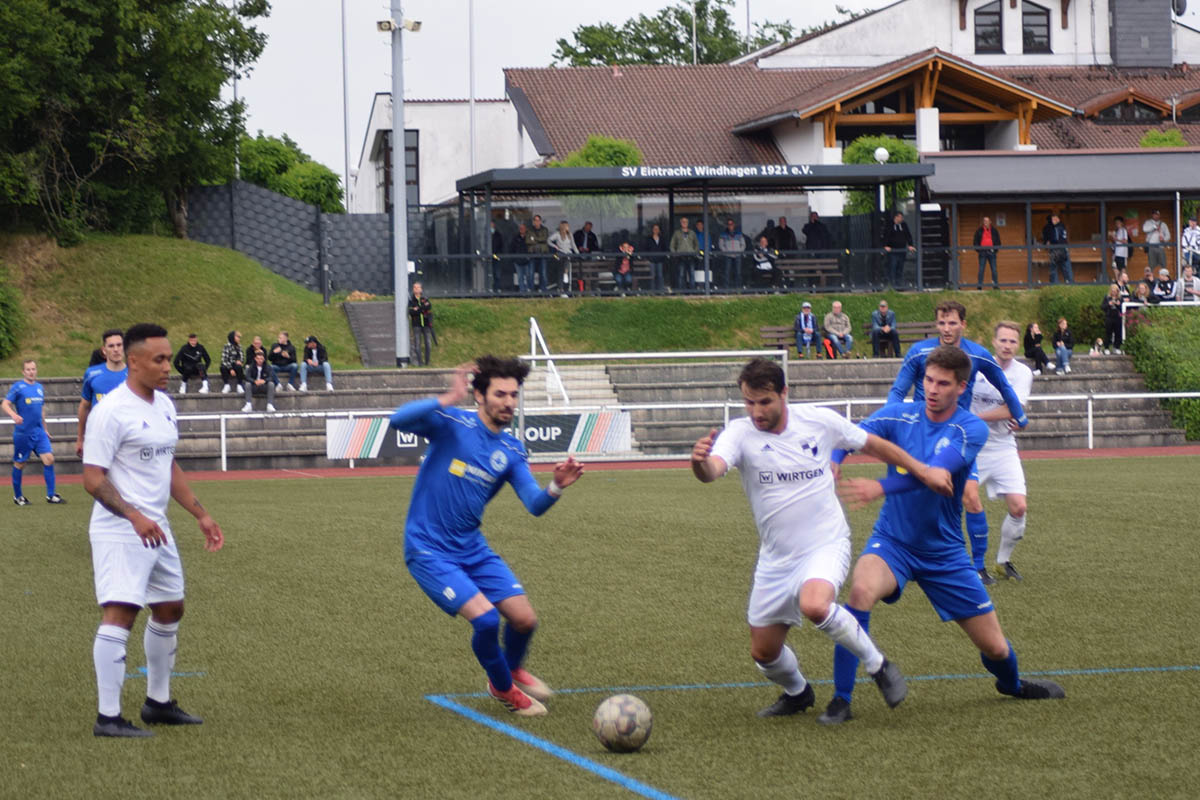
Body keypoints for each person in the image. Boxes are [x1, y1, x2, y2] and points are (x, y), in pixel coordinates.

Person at [690, 359, 952, 718]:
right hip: (776, 557)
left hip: (826, 543)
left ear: (784, 394)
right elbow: (712, 471)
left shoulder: (819, 421)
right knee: (763, 652)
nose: (756, 412)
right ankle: (798, 693)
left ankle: (879, 666)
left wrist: (922, 470)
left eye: (764, 402)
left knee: (816, 605)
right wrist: (699, 462)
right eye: (749, 403)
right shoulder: (739, 433)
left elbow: (875, 444)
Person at [825, 345, 1065, 725]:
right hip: (894, 542)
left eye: (942, 383)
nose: (932, 389)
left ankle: (1013, 684)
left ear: (961, 386)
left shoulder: (970, 427)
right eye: (928, 381)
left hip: (945, 554)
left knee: (996, 648)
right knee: (859, 592)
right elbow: (852, 436)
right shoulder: (901, 414)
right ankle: (841, 699)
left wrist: (880, 488)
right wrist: (835, 463)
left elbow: (934, 475)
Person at [389, 356, 584, 717]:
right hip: (428, 549)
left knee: (525, 620)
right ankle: (503, 688)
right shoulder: (450, 423)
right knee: (486, 620)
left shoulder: (511, 450)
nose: (509, 402)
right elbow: (397, 419)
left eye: (514, 394)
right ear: (480, 395)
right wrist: (449, 396)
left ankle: (509, 669)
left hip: (471, 549)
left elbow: (534, 504)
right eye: (500, 394)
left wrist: (556, 486)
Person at [82, 322, 225, 737]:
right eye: (159, 359)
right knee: (120, 612)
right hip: (121, 528)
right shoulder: (110, 411)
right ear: (133, 361)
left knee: (170, 607)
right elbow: (92, 478)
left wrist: (199, 513)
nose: (168, 367)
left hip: (155, 527)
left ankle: (157, 703)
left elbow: (167, 464)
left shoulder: (164, 404)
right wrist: (133, 515)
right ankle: (108, 717)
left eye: (169, 358)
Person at [961, 322, 1033, 586]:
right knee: (957, 501)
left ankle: (1002, 561)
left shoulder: (1023, 373)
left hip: (1003, 446)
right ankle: (971, 565)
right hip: (972, 446)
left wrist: (975, 417)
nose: (1007, 346)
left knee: (1019, 507)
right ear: (993, 342)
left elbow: (1012, 409)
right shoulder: (975, 365)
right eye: (1003, 340)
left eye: (1013, 342)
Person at [887, 301, 1029, 432]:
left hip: (957, 429)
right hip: (922, 428)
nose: (946, 329)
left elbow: (1004, 387)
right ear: (936, 325)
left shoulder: (977, 354)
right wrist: (888, 421)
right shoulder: (917, 352)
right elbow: (898, 391)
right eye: (942, 323)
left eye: (952, 323)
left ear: (963, 324)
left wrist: (1021, 418)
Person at [4, 359, 65, 505]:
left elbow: (40, 411)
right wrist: (14, 415)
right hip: (23, 433)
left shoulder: (39, 387)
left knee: (49, 459)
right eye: (28, 369)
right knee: (20, 463)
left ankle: (51, 495)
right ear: (23, 372)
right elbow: (5, 404)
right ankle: (18, 497)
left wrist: (45, 429)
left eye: (33, 369)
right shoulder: (18, 387)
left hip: (39, 432)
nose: (32, 372)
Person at [76, 329, 128, 459]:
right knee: (98, 478)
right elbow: (84, 406)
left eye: (119, 345)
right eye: (111, 346)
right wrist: (80, 438)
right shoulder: (92, 374)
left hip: (127, 437)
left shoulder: (135, 374)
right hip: (99, 436)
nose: (116, 349)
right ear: (104, 350)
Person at [882, 212, 915, 288]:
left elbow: (908, 235)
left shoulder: (904, 225)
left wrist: (910, 245)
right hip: (892, 251)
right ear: (896, 217)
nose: (901, 219)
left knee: (900, 267)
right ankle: (891, 285)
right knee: (892, 266)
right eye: (900, 217)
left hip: (901, 250)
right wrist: (885, 246)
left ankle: (899, 285)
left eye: (902, 217)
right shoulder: (889, 225)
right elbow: (886, 235)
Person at [547, 220, 578, 296]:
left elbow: (573, 245)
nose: (568, 227)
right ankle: (561, 289)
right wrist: (555, 246)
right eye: (567, 226)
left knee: (566, 271)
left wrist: (578, 254)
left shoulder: (570, 235)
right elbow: (548, 240)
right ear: (564, 227)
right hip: (560, 255)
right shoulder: (557, 235)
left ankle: (566, 287)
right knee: (561, 271)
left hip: (568, 255)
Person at [408, 282, 436, 366]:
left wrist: (418, 309)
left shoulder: (425, 298)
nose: (416, 289)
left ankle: (427, 362)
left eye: (418, 287)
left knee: (428, 343)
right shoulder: (411, 300)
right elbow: (411, 311)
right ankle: (420, 363)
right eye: (414, 288)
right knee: (417, 344)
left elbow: (428, 306)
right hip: (416, 324)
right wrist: (421, 309)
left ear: (421, 289)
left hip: (426, 323)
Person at [1041, 213, 1073, 284]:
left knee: (1060, 267)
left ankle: (1064, 283)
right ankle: (1067, 283)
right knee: (1061, 267)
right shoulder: (1054, 227)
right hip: (1059, 249)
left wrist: (1048, 242)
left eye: (1056, 218)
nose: (1055, 220)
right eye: (1053, 219)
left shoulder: (1058, 227)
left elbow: (1055, 239)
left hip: (1059, 249)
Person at [669, 217, 699, 291]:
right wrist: (675, 254)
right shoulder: (677, 233)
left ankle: (692, 291)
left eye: (685, 222)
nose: (684, 223)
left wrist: (694, 252)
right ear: (680, 223)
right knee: (681, 275)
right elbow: (672, 245)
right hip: (681, 257)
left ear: (688, 223)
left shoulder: (692, 233)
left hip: (691, 257)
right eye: (683, 222)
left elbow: (697, 244)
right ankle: (681, 291)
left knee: (692, 274)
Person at [525, 215, 551, 293]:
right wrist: (539, 240)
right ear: (533, 221)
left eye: (538, 220)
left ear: (540, 221)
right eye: (535, 220)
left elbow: (544, 238)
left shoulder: (545, 229)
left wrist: (534, 239)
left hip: (542, 254)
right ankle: (531, 290)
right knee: (530, 273)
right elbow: (527, 241)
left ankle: (543, 289)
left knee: (543, 272)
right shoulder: (529, 230)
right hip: (532, 254)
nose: (537, 222)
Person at [973, 216, 1001, 289]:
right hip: (982, 252)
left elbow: (998, 241)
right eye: (984, 221)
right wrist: (979, 250)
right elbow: (975, 241)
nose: (986, 222)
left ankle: (995, 285)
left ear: (990, 222)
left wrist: (995, 250)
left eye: (987, 221)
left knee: (994, 269)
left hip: (992, 252)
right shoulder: (979, 230)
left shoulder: (994, 230)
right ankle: (980, 285)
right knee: (981, 269)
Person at [718, 218, 746, 290]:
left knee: (738, 272)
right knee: (727, 272)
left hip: (737, 255)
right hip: (728, 256)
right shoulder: (723, 234)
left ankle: (738, 288)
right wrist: (726, 251)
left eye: (731, 224)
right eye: (729, 224)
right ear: (727, 225)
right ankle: (726, 288)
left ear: (734, 225)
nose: (730, 226)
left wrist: (739, 251)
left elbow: (743, 244)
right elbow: (721, 245)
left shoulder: (739, 234)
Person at [642, 223, 668, 292]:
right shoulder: (649, 239)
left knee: (660, 275)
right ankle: (652, 290)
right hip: (651, 260)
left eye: (657, 229)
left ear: (659, 230)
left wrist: (664, 257)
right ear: (652, 230)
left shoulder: (662, 239)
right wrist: (647, 258)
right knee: (652, 276)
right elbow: (645, 249)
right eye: (654, 229)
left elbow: (665, 249)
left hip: (660, 260)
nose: (656, 230)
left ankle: (660, 290)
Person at [219, 330, 245, 395]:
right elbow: (224, 359)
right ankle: (226, 385)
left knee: (239, 367)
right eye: (237, 337)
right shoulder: (226, 346)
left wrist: (240, 361)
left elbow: (241, 356)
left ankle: (239, 385)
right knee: (222, 367)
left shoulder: (239, 346)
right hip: (228, 365)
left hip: (235, 365)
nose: (239, 338)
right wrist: (230, 369)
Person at [1101, 284, 1125, 354]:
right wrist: (1109, 304)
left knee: (1118, 333)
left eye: (1115, 291)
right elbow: (1102, 307)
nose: (1114, 292)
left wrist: (1118, 304)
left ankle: (1116, 347)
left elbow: (1123, 308)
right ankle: (1106, 347)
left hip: (1118, 317)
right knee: (1108, 332)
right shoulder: (1107, 297)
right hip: (1109, 317)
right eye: (1112, 291)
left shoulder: (1120, 298)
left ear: (1118, 291)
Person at [490, 220, 509, 294]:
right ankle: (489, 288)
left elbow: (501, 245)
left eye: (491, 224)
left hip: (496, 256)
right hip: (487, 257)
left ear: (494, 225)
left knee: (497, 273)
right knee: (489, 273)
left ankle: (497, 288)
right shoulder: (484, 234)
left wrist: (499, 255)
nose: (490, 226)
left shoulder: (498, 235)